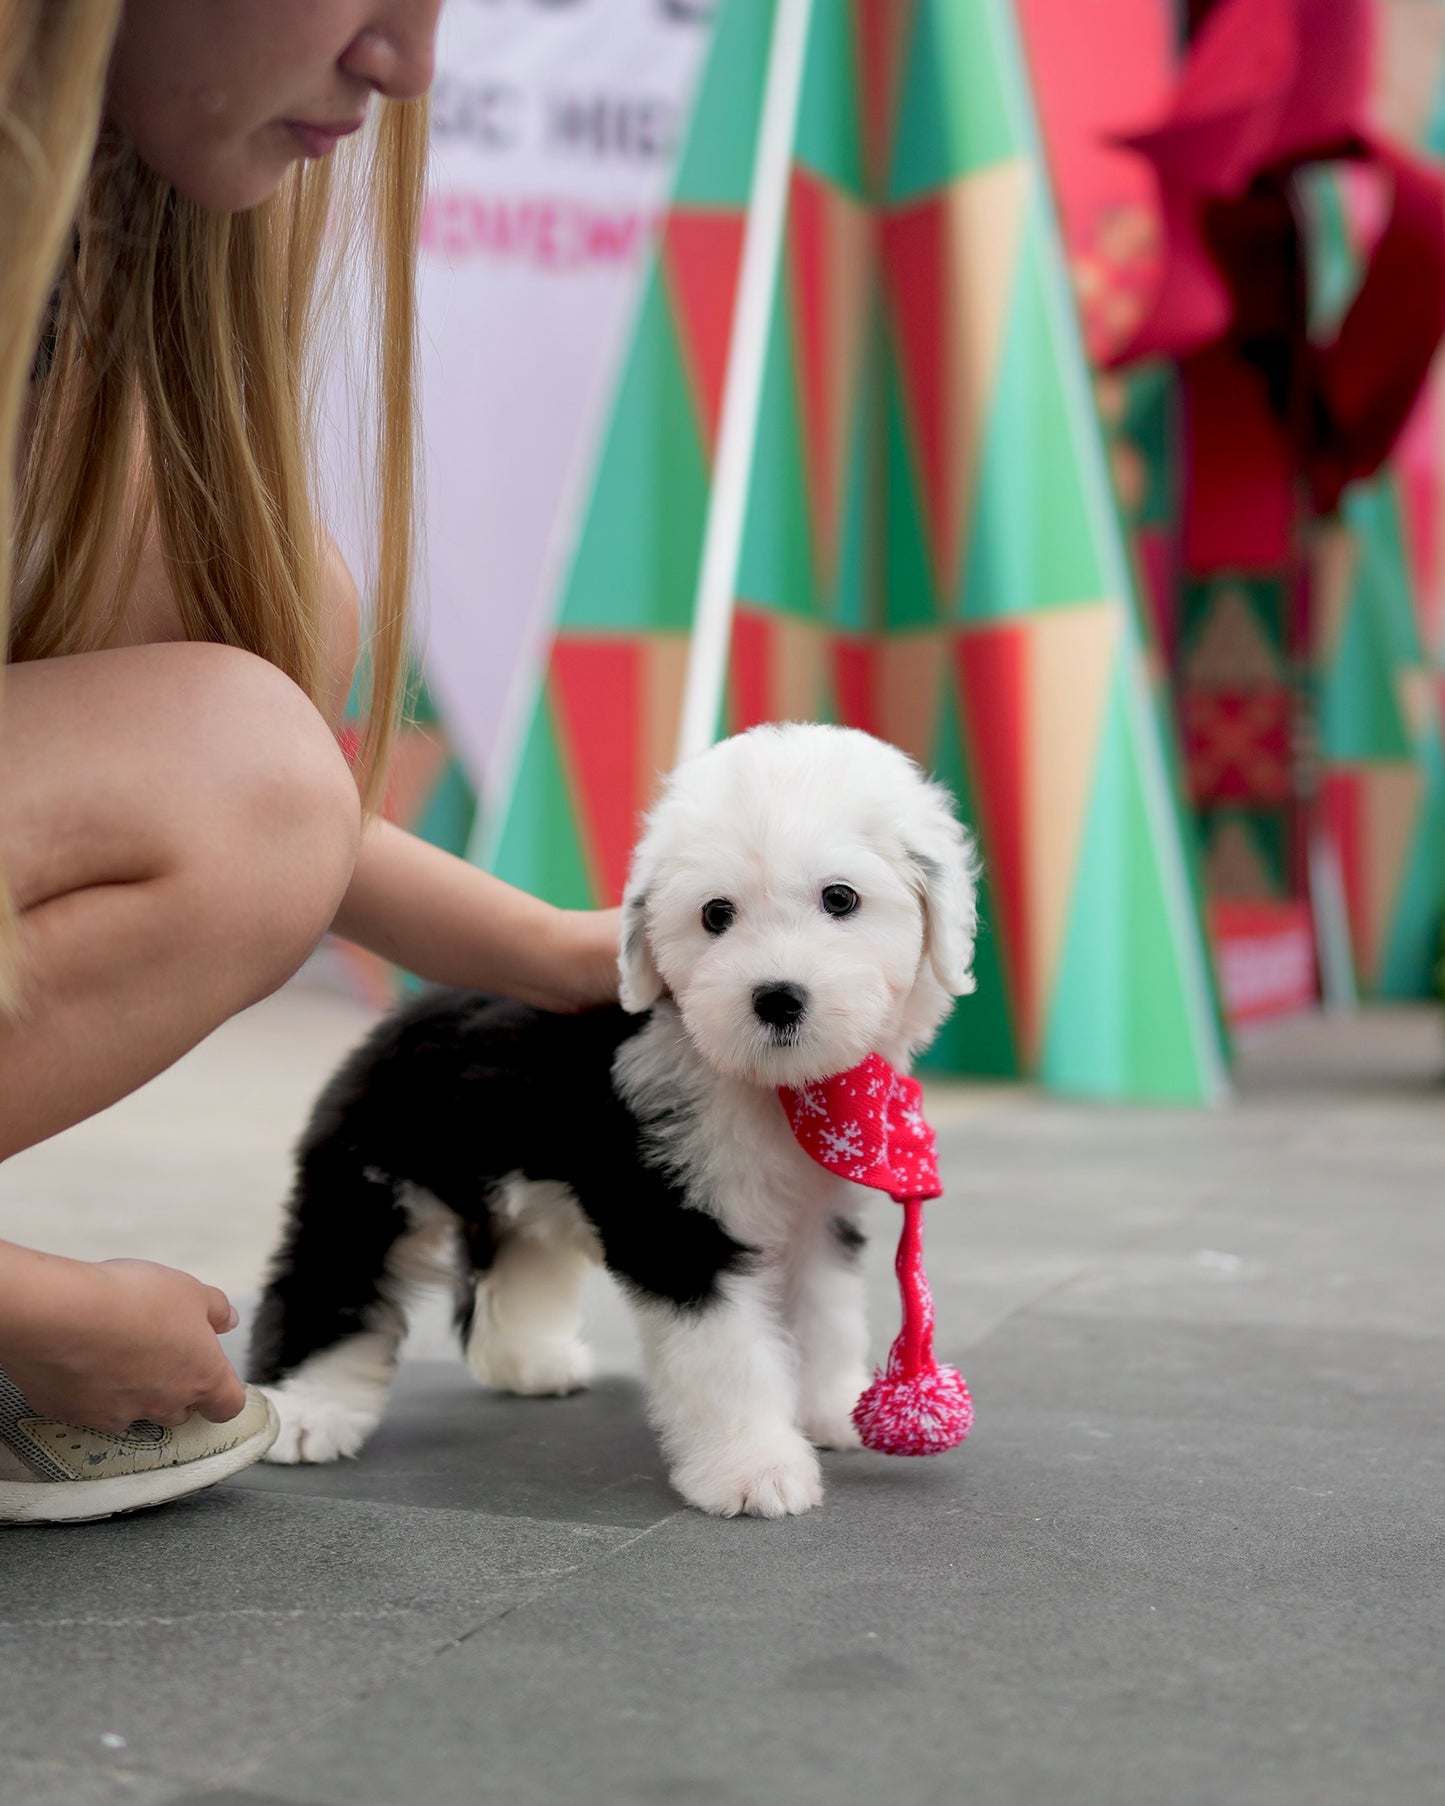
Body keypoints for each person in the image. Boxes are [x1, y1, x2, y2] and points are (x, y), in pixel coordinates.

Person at [0, 1, 619, 1524]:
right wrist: (31, 1308)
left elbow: (281, 812)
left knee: (254, 606)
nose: (406, 65)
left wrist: (554, 953)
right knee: (244, 755)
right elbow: (260, 801)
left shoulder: (82, 266)